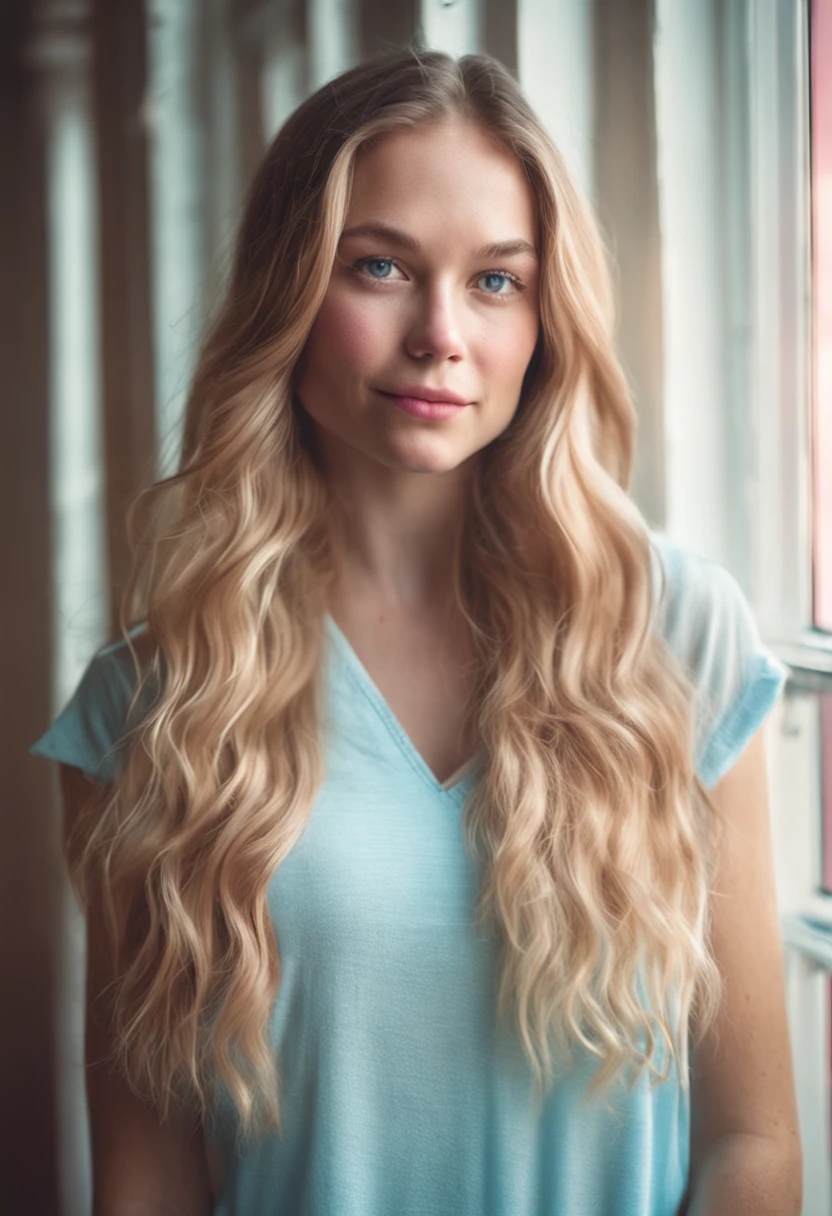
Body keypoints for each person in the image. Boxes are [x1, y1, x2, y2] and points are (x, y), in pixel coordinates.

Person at [30, 47, 801, 1216]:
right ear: (291, 290)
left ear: (547, 317)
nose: (440, 332)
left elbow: (751, 1142)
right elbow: (149, 1181)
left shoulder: (676, 635)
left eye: (496, 281)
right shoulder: (150, 707)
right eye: (380, 266)